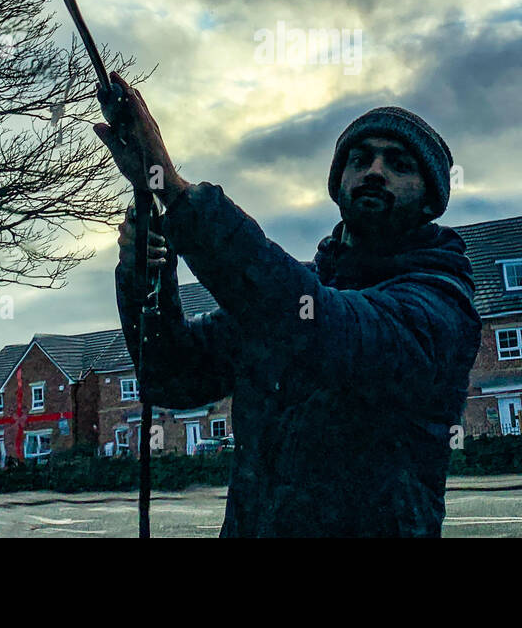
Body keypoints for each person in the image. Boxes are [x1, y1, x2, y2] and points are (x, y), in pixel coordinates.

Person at [94, 73, 481, 537]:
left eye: (399, 163)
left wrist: (175, 192)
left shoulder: (436, 303)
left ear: (431, 200)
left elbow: (324, 330)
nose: (375, 171)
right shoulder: (289, 298)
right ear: (338, 185)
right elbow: (172, 376)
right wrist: (146, 276)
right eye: (360, 159)